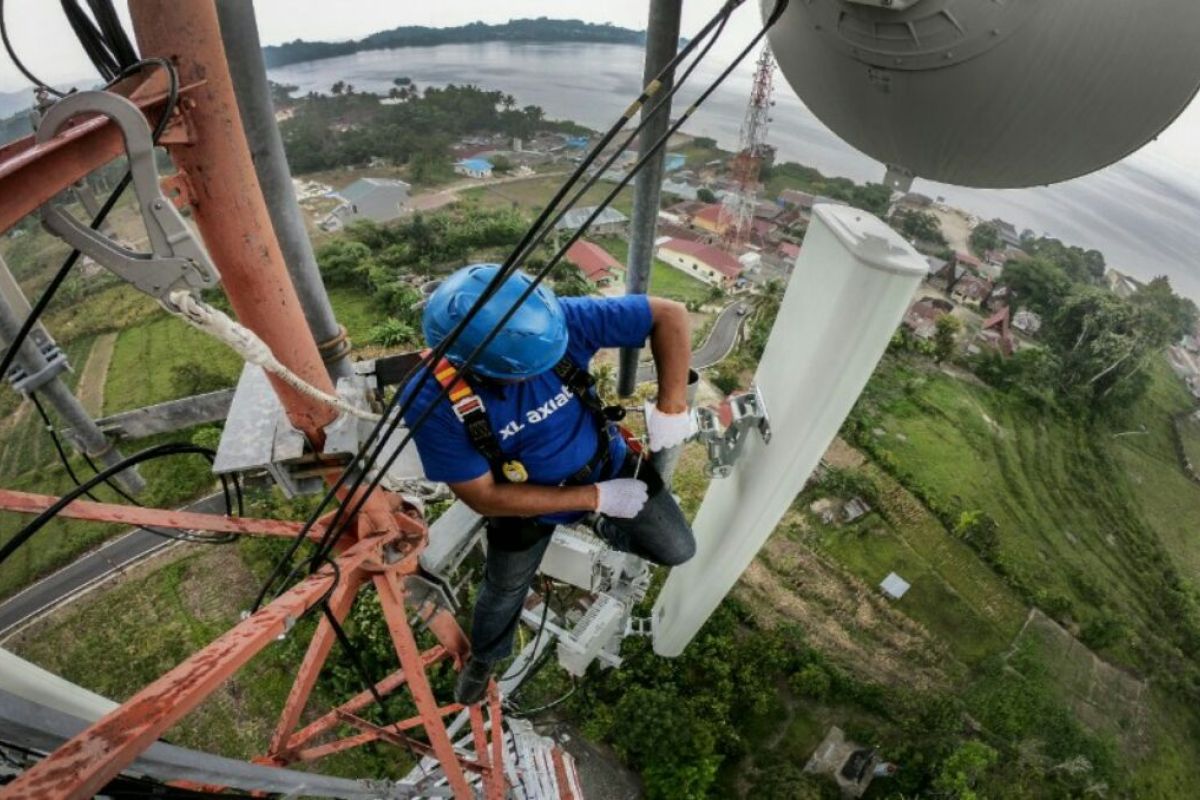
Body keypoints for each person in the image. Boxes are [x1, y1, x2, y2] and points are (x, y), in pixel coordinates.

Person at [402, 263, 697, 704]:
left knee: (677, 548)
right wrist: (596, 498)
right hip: (524, 504)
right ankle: (485, 658)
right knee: (503, 592)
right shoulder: (432, 400)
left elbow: (669, 314)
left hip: (605, 461)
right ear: (480, 368)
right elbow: (484, 496)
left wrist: (671, 407)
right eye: (525, 375)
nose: (538, 377)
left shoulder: (546, 324)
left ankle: (597, 522)